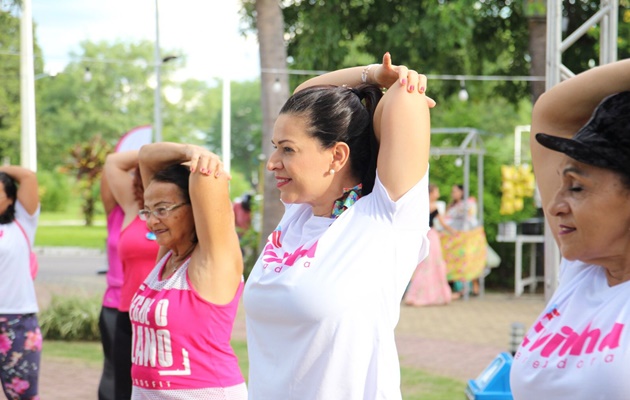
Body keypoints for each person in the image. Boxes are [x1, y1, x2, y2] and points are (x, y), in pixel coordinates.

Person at [243, 53, 434, 399]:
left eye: (287, 150)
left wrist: (396, 82)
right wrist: (371, 73)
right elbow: (304, 95)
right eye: (275, 148)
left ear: (337, 156)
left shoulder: (383, 219)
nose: (272, 163)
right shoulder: (297, 216)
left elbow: (407, 101)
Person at [509, 59, 630, 399]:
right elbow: (551, 111)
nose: (555, 205)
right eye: (561, 184)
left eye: (576, 188)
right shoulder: (584, 269)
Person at [130, 142, 247, 399]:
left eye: (162, 210)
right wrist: (188, 151)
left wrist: (203, 160)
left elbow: (207, 181)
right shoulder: (169, 254)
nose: (152, 221)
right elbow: (146, 157)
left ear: (194, 208)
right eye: (147, 211)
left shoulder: (213, 260)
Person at [103, 150, 159, 399]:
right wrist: (158, 153)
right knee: (124, 390)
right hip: (128, 314)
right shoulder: (133, 208)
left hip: (165, 317)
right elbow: (113, 162)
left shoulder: (186, 214)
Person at [0, 165, 42, 400]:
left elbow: (27, 176)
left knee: (23, 395)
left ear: (10, 199)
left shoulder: (22, 223)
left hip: (17, 323)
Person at [404, 184, 457, 306]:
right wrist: (453, 232)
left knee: (423, 265)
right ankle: (434, 295)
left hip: (422, 235)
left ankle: (416, 295)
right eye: (436, 191)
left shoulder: (420, 205)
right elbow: (443, 224)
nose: (438, 193)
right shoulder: (433, 206)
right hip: (432, 236)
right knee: (433, 264)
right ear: (431, 193)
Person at [97, 172, 125, 400]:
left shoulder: (161, 215)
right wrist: (147, 155)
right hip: (115, 305)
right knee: (113, 371)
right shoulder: (115, 212)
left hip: (152, 307)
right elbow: (111, 166)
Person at [441, 184, 487, 296]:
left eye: (455, 191)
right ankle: (461, 289)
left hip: (467, 236)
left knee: (469, 260)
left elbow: (470, 220)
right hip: (454, 237)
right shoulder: (452, 205)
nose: (453, 194)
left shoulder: (468, 204)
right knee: (458, 263)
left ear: (462, 192)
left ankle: (474, 287)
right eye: (453, 191)